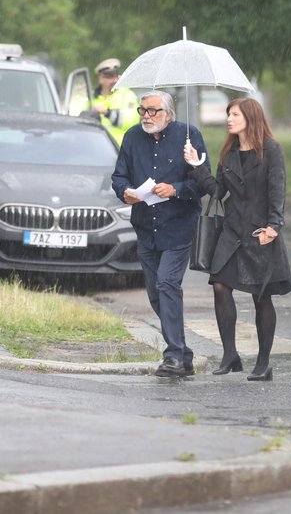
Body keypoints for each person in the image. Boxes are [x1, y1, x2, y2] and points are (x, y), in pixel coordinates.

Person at [183, 97, 291, 381]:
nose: (229, 119)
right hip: (232, 231)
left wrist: (274, 225)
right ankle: (230, 354)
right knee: (219, 284)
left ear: (250, 117)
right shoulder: (229, 152)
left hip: (260, 233)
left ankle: (263, 361)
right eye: (228, 114)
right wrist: (196, 166)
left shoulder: (271, 150)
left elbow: (277, 189)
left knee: (261, 296)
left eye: (234, 114)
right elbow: (218, 192)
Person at [112, 90, 209, 377]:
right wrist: (125, 193)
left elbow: (204, 182)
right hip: (145, 226)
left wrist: (175, 189)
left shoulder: (189, 136)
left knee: (167, 284)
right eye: (142, 111)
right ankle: (183, 354)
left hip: (179, 226)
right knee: (156, 294)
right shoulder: (132, 137)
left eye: (153, 111)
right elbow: (119, 176)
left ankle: (174, 356)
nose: (147, 116)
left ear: (168, 113)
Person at [89, 58, 140, 144]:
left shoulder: (127, 95)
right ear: (101, 79)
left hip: (121, 149)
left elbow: (131, 122)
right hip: (96, 149)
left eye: (116, 76)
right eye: (110, 77)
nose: (114, 80)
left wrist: (107, 113)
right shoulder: (90, 98)